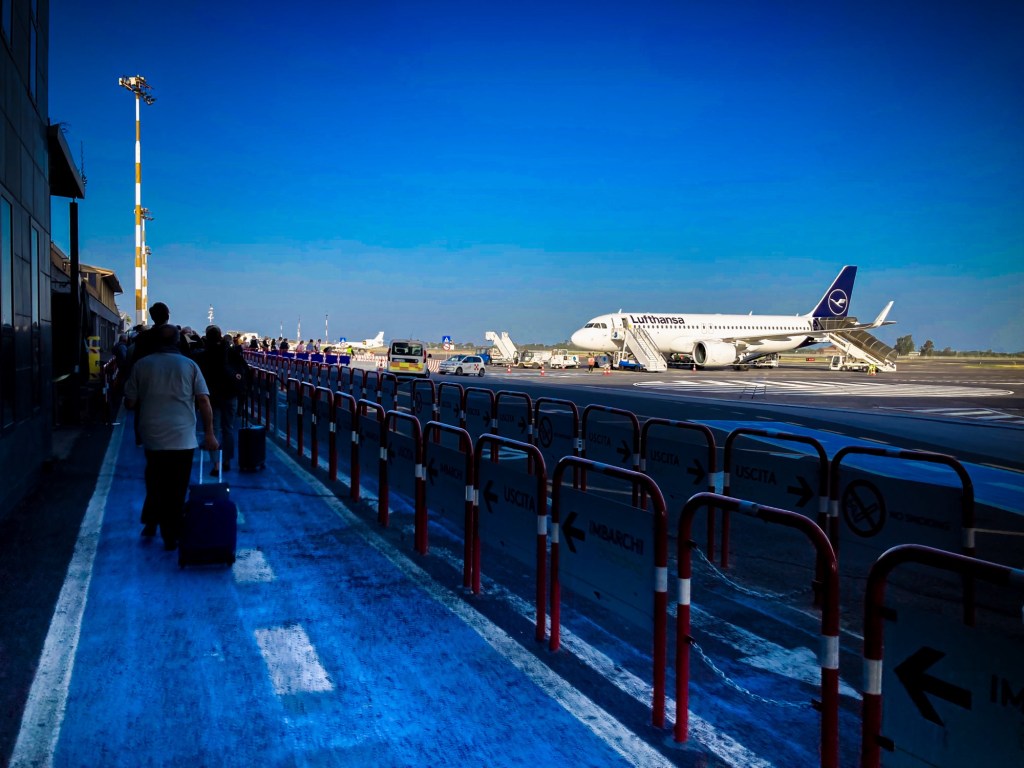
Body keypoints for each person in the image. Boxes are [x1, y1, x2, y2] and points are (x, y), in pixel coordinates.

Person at [124, 324, 218, 550]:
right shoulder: (189, 365)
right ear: (178, 341)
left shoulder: (141, 365)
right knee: (177, 486)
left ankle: (151, 521)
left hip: (152, 435)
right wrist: (209, 434)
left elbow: (130, 402)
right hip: (182, 436)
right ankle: (171, 534)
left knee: (155, 479)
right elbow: (203, 400)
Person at [194, 325, 247, 474]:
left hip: (211, 397)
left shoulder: (203, 355)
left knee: (213, 429)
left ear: (207, 336)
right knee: (228, 429)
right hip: (230, 395)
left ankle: (216, 464)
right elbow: (244, 370)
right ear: (220, 335)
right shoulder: (230, 352)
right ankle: (227, 460)